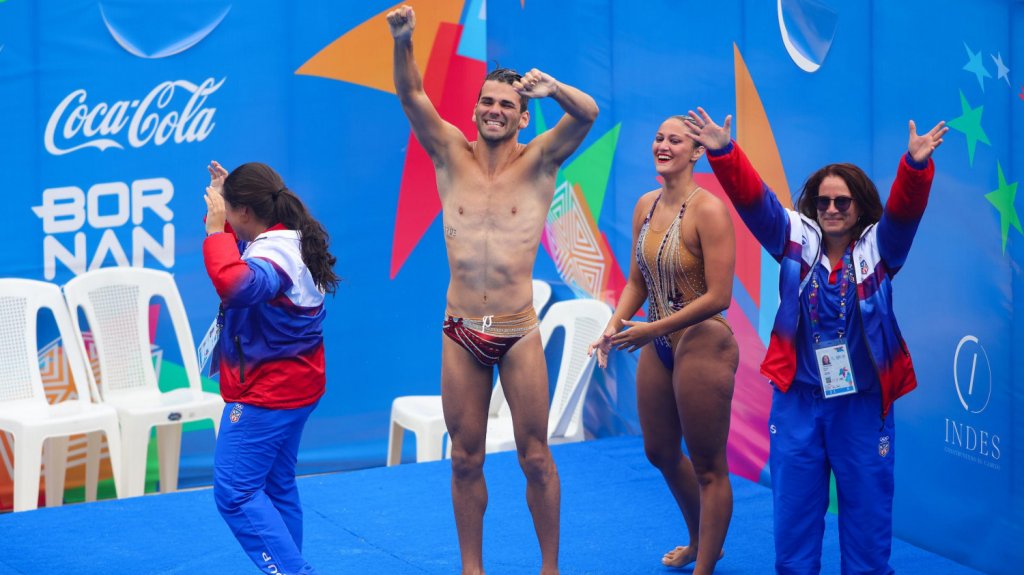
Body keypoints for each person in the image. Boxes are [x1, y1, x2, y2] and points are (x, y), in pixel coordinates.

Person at [682, 107, 947, 574]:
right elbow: (756, 201)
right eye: (823, 201)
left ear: (859, 206)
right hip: (798, 404)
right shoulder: (795, 239)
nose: (831, 209)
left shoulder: (880, 248)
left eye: (842, 201)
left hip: (862, 405)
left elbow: (905, 213)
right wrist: (724, 152)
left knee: (867, 523)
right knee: (794, 522)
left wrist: (914, 167)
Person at [387, 5, 597, 574]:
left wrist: (554, 90)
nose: (495, 110)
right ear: (475, 108)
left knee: (536, 458)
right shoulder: (449, 153)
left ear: (523, 117)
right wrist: (404, 41)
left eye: (507, 104)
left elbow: (588, 114)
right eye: (487, 101)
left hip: (517, 332)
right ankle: (472, 568)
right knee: (464, 458)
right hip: (460, 331)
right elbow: (411, 95)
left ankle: (549, 568)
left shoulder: (541, 160)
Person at [588, 116, 738, 574]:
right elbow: (637, 282)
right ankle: (699, 541)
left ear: (697, 152)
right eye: (658, 138)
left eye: (676, 140)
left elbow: (720, 296)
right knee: (659, 452)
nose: (663, 145)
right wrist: (613, 325)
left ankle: (704, 565)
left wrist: (651, 330)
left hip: (704, 340)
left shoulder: (709, 210)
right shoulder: (645, 206)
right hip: (656, 337)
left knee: (709, 466)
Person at [203, 160, 339, 575]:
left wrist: (214, 232)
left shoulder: (273, 255)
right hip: (296, 388)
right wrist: (225, 218)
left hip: (266, 396)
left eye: (228, 210)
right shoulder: (287, 240)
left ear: (244, 211)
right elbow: (244, 261)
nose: (224, 216)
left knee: (236, 492)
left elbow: (236, 283)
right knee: (276, 488)